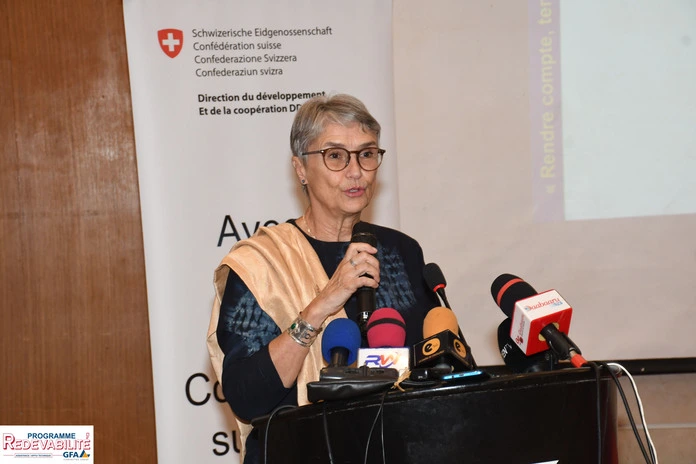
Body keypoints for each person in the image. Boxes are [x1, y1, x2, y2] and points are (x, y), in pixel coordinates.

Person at [206, 94, 439, 463]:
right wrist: (323, 303)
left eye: (366, 154)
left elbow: (435, 364)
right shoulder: (261, 264)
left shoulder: (401, 252)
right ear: (300, 168)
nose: (355, 171)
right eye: (335, 156)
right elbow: (248, 399)